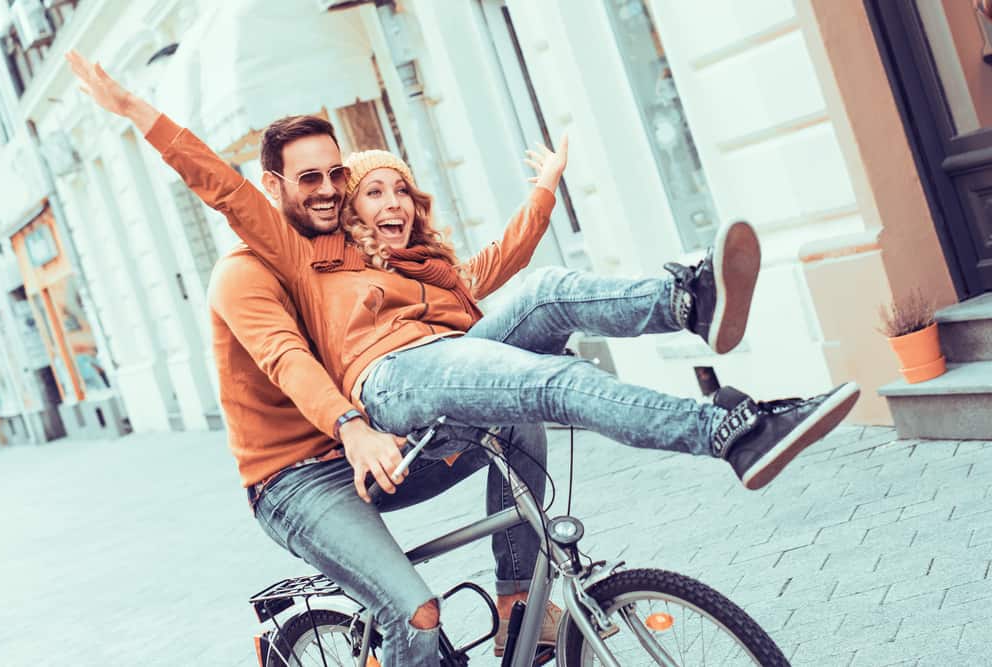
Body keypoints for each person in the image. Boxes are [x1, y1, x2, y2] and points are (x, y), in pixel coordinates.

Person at [68, 52, 860, 665]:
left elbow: (493, 270)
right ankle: (725, 432)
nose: (331, 187)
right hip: (349, 423)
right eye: (310, 178)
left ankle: (689, 304)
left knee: (546, 299)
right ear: (275, 187)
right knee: (529, 407)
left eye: (338, 173)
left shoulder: (373, 247)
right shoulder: (274, 260)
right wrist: (139, 111)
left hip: (417, 389)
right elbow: (273, 326)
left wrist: (544, 192)